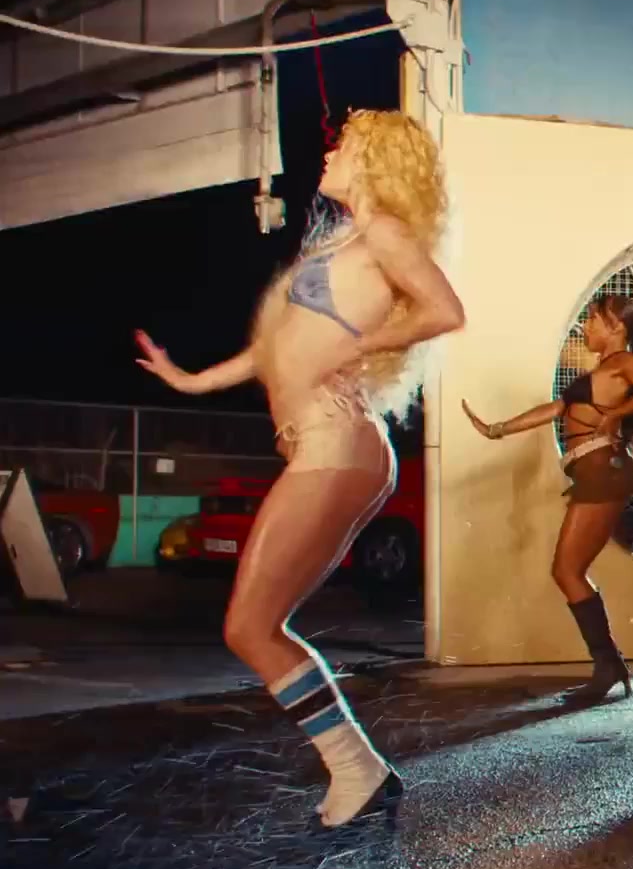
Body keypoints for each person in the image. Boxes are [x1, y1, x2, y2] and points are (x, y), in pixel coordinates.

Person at [134, 110, 465, 826]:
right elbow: (274, 352)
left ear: (374, 159)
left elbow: (444, 310)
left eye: (344, 143)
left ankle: (355, 769)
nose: (330, 150)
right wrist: (189, 380)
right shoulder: (342, 242)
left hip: (335, 444)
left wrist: (364, 344)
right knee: (254, 625)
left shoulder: (383, 234)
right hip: (325, 445)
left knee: (250, 627)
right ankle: (358, 769)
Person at [461, 292, 633, 704]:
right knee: (568, 570)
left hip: (604, 471)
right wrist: (497, 429)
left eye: (593, 320)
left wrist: (614, 415)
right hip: (593, 471)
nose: (585, 327)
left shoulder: (624, 363)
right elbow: (557, 408)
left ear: (616, 327)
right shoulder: (604, 369)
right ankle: (608, 664)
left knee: (567, 570)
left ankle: (608, 665)